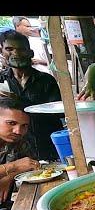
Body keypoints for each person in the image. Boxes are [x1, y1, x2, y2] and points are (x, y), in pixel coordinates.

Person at [0, 30, 63, 160]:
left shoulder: (46, 80)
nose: (16, 53)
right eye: (9, 49)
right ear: (2, 52)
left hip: (47, 144)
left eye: (21, 49)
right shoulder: (1, 80)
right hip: (14, 150)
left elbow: (58, 112)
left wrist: (20, 102)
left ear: (30, 53)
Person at [0, 98, 39, 206]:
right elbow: (19, 165)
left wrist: (9, 176)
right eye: (11, 123)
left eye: (24, 126)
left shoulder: (19, 141)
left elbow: (30, 164)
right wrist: (13, 167)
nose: (18, 131)